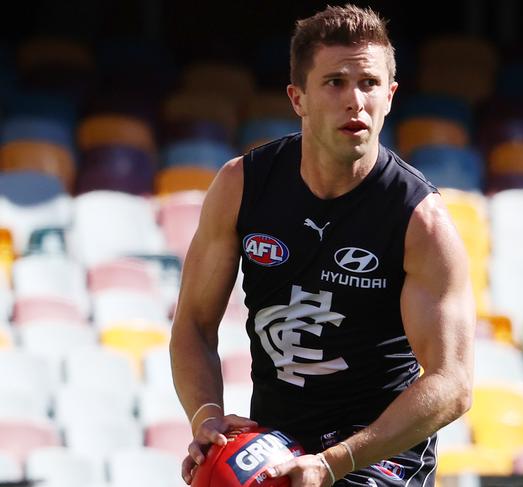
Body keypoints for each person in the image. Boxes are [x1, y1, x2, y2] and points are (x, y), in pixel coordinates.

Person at [169, 4, 475, 486]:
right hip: (276, 441)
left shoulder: (421, 220)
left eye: (370, 84)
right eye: (335, 82)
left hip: (380, 458)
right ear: (298, 98)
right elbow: (192, 324)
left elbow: (452, 384)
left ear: (390, 96)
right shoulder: (241, 186)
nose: (355, 100)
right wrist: (206, 417)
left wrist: (334, 462)